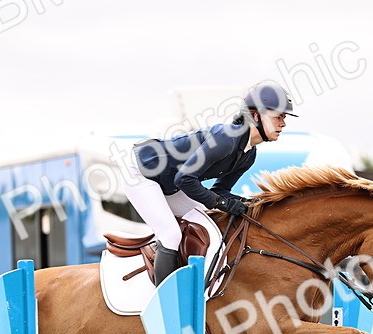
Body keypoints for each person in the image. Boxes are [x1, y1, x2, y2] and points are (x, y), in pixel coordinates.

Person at [123, 80, 296, 285]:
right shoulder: (226, 139)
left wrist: (250, 204)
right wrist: (223, 204)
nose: (283, 124)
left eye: (284, 118)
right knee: (170, 234)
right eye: (278, 117)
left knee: (208, 225)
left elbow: (220, 190)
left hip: (170, 183)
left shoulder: (249, 154)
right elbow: (185, 179)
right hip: (142, 171)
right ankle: (166, 300)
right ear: (256, 116)